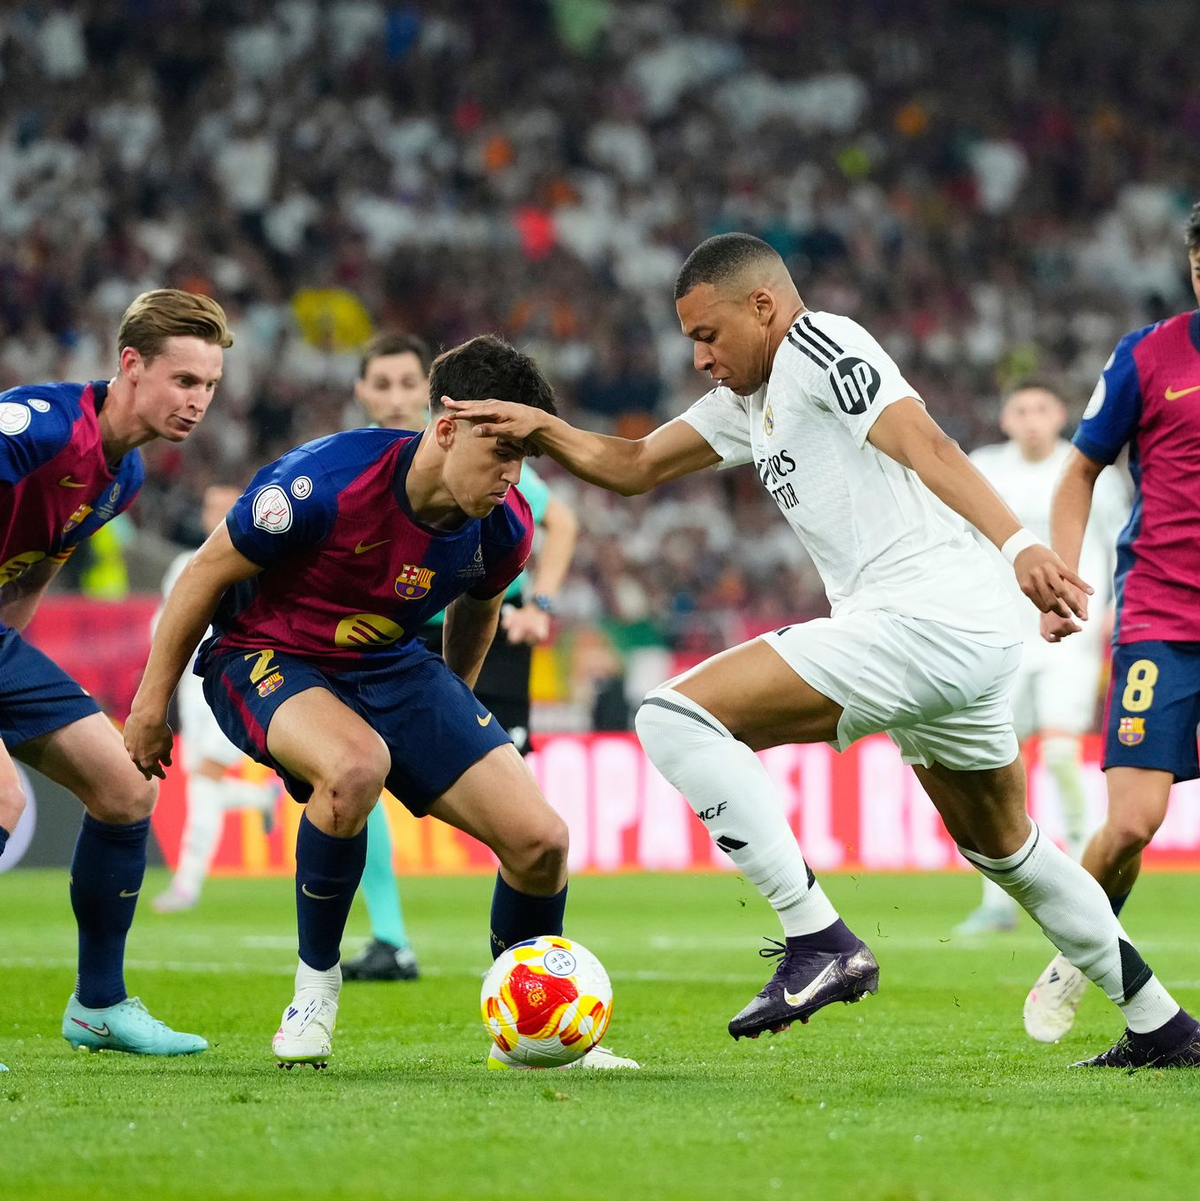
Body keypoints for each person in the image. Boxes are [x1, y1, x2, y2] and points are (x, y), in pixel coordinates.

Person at [445, 232, 1200, 1069]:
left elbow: (927, 443)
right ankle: (1163, 1024)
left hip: (925, 614)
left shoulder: (821, 344)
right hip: (953, 634)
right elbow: (632, 464)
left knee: (671, 715)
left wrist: (1020, 544)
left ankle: (818, 937)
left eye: (707, 333)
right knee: (1007, 849)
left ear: (762, 306)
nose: (698, 356)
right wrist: (543, 428)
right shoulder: (747, 396)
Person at [123, 334, 636, 1070]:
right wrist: (149, 706)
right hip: (265, 652)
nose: (511, 476)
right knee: (356, 766)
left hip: (390, 662)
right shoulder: (319, 485)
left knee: (542, 841)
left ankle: (530, 1030)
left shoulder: (507, 522)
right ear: (447, 428)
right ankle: (315, 988)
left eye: (524, 458)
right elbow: (203, 574)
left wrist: (452, 707)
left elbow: (480, 604)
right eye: (501, 453)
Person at [0, 288, 230, 1055]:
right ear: (131, 365)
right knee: (3, 799)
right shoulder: (39, 426)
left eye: (210, 387)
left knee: (128, 789)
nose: (199, 402)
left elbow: (29, 579)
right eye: (185, 381)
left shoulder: (121, 478)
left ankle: (98, 1004)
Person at [341, 333, 580, 983]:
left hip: (490, 634)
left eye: (405, 384)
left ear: (432, 395)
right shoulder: (359, 469)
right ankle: (392, 937)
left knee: (518, 811)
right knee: (354, 783)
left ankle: (528, 957)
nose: (394, 397)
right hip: (400, 637)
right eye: (380, 384)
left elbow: (560, 521)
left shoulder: (483, 448)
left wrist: (545, 604)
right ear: (360, 392)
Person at [1023, 201, 1200, 1044]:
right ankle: (1078, 954)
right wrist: (1063, 573)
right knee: (1131, 822)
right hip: (1161, 616)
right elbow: (1079, 469)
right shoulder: (1148, 356)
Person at [953, 381, 1128, 936]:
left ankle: (1085, 882)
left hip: (1070, 631)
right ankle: (997, 901)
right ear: (1006, 419)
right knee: (995, 768)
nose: (1031, 419)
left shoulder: (1090, 470)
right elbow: (959, 543)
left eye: (1041, 409)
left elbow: (1121, 541)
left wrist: (1113, 610)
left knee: (1056, 754)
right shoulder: (984, 468)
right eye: (1021, 409)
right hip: (999, 634)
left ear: (1060, 416)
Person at [152, 483, 279, 914]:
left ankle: (187, 884)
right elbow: (163, 627)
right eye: (210, 506)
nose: (215, 514)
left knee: (204, 782)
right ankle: (262, 798)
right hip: (190, 687)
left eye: (225, 507)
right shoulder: (182, 565)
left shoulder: (254, 566)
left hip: (232, 684)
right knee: (202, 783)